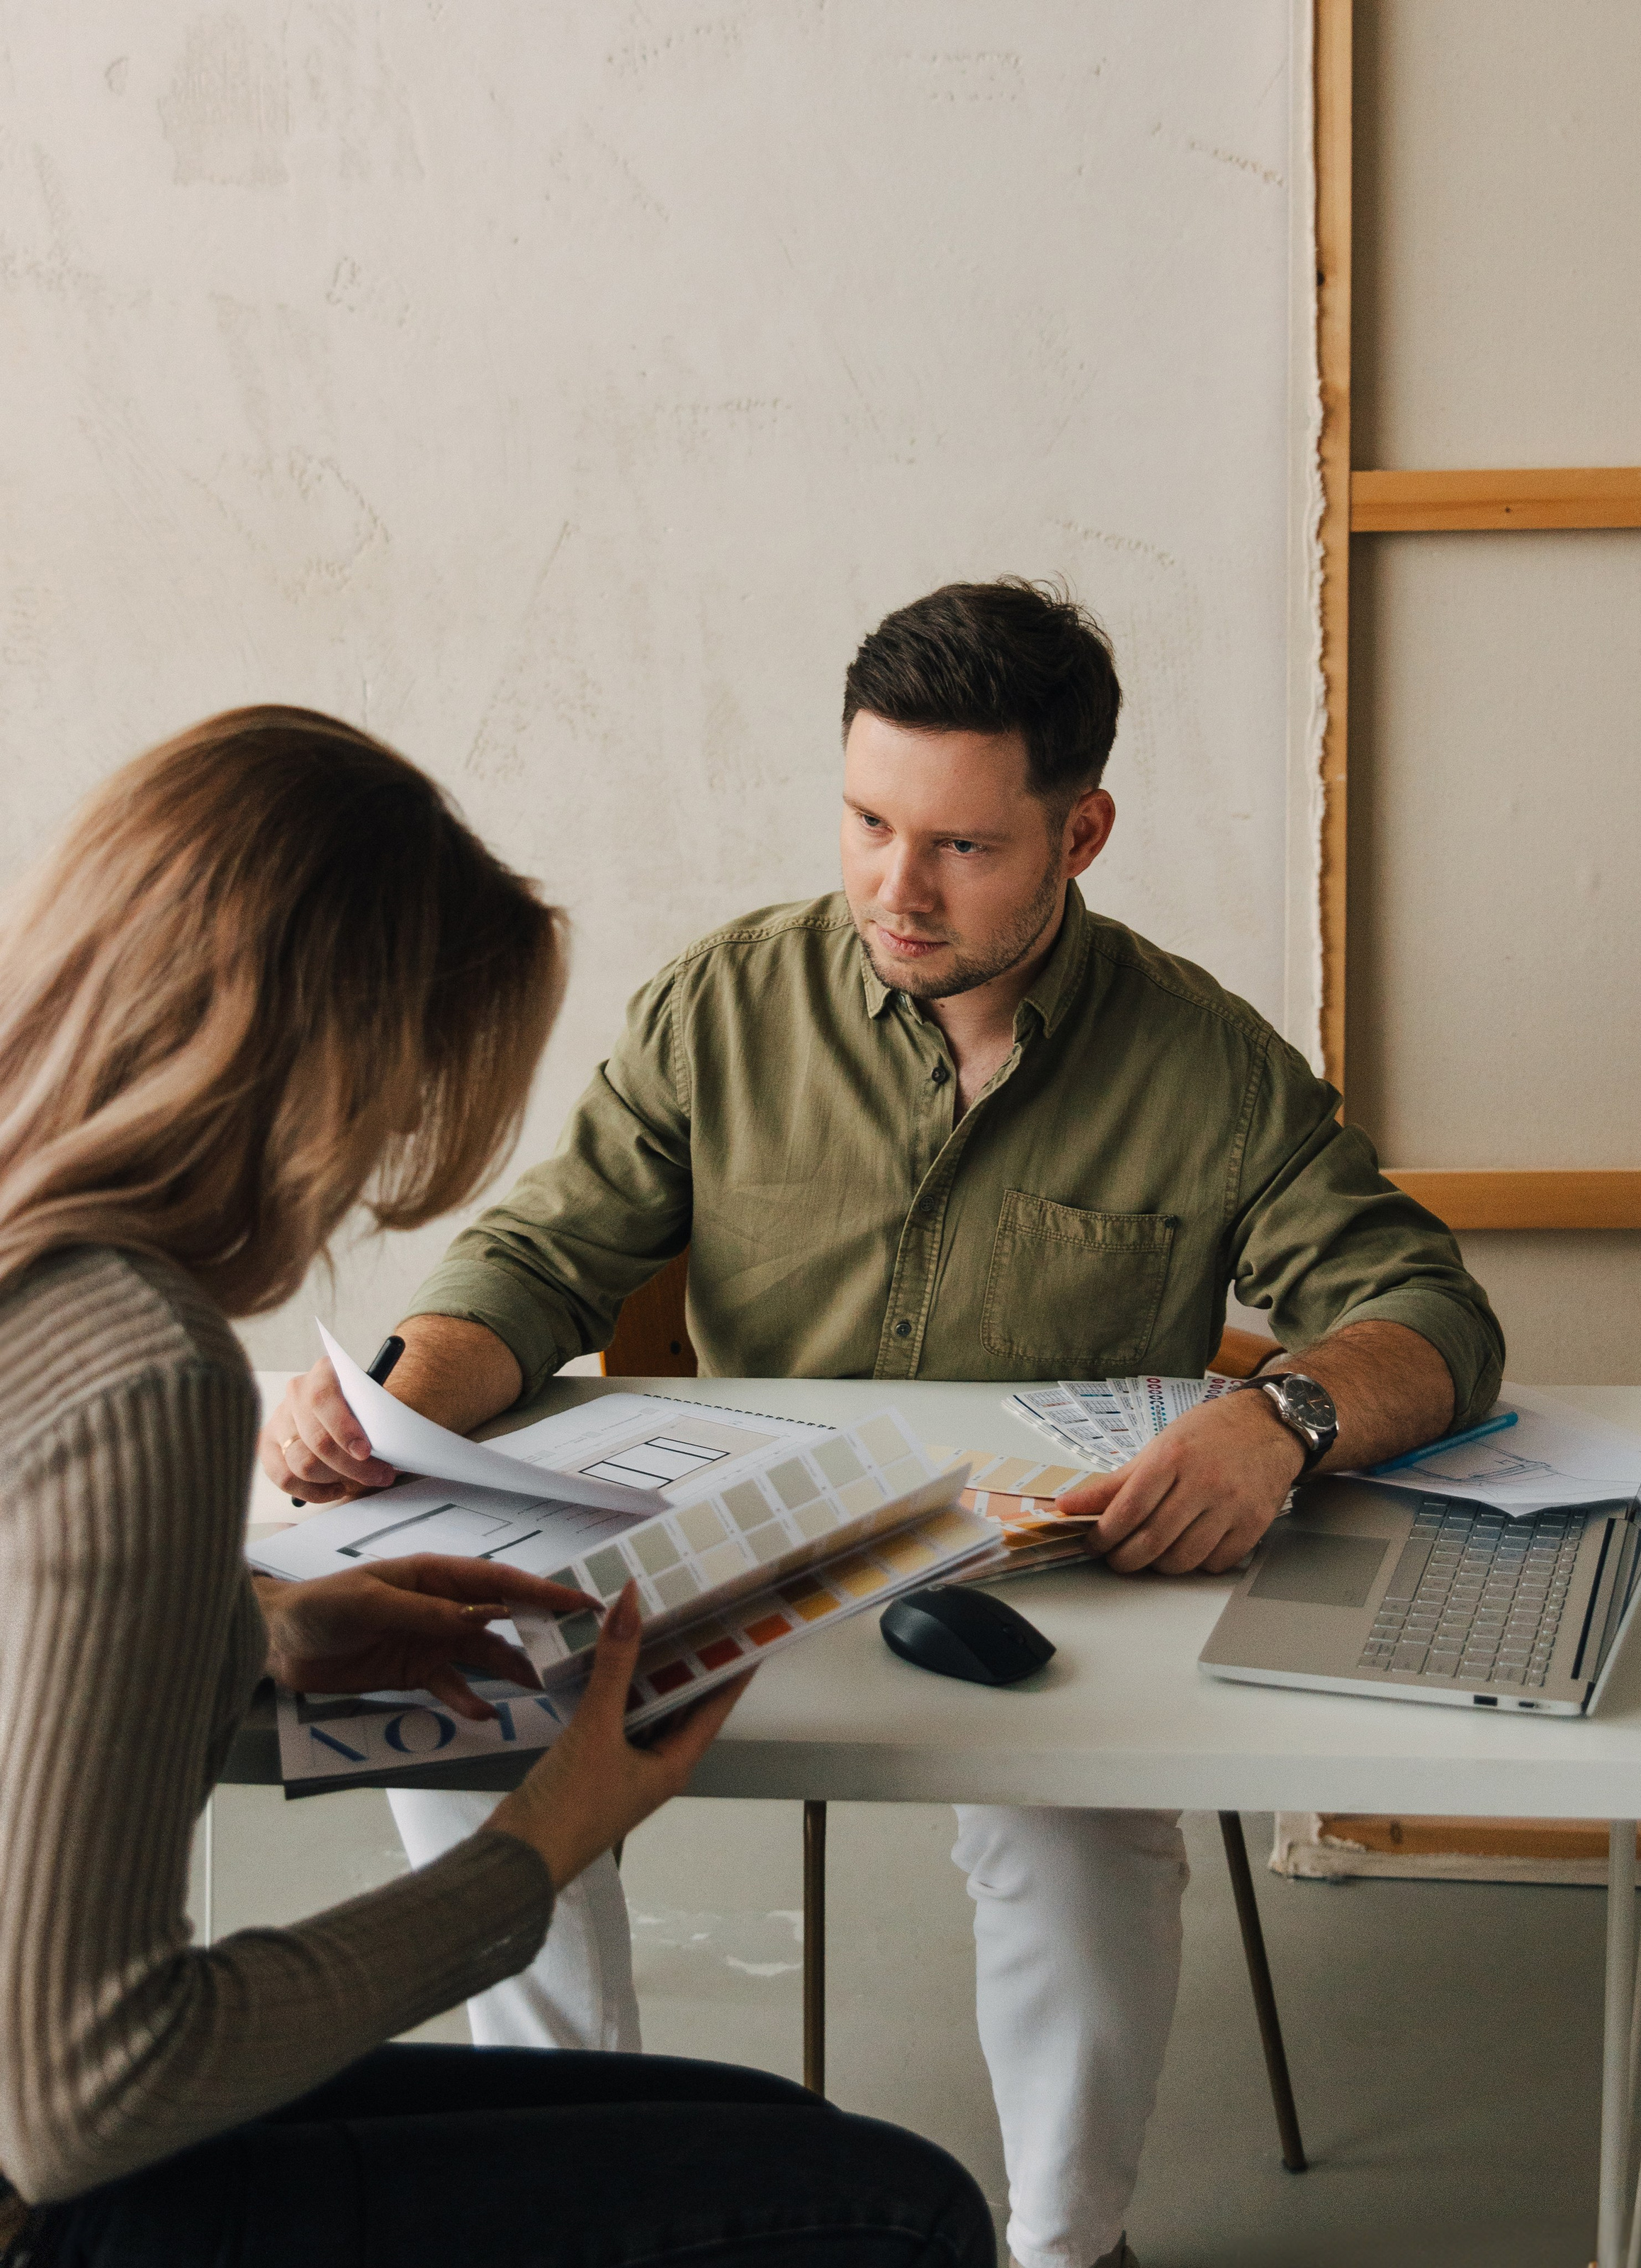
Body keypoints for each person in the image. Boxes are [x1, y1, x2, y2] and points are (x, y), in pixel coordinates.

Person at [266, 583, 1504, 2268]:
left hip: (1040, 1598)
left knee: (1082, 1833)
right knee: (458, 1703)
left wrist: (1278, 1417)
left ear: (1081, 832)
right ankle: (573, 2197)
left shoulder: (1206, 1067)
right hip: (725, 1559)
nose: (892, 891)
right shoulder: (721, 1008)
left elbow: (1431, 1310)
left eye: (960, 848)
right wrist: (399, 1401)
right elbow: (542, 1257)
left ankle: (1066, 2247)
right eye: (864, 822)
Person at [0, 709, 994, 2268]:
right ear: (321, 1071)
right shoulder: (147, 1369)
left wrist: (266, 1629)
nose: (386, 1161)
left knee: (791, 2143)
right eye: (406, 1102)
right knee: (893, 2209)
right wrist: (542, 1840)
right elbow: (76, 2096)